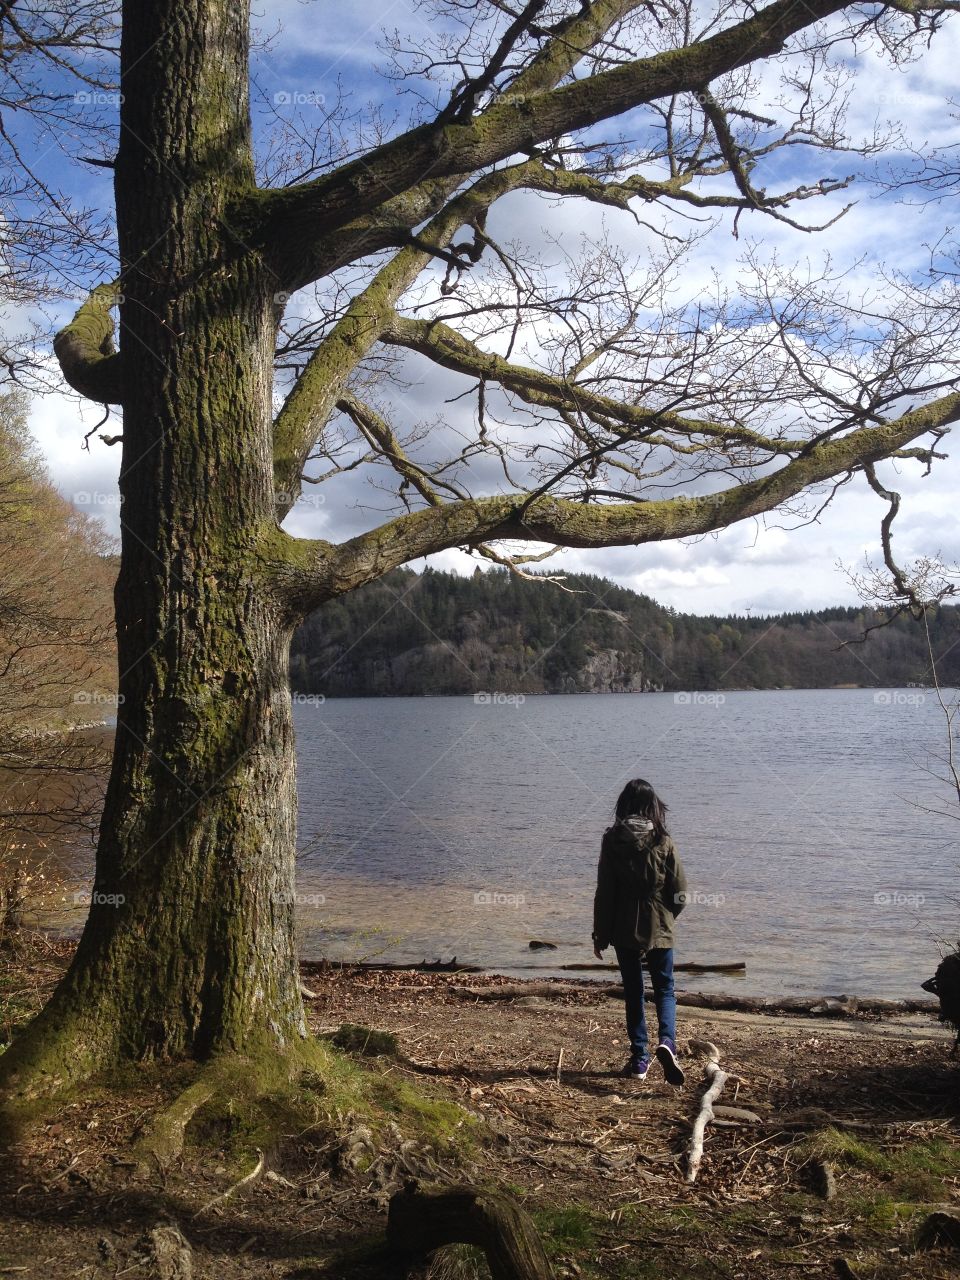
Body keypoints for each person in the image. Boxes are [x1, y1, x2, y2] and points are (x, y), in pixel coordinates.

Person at [592, 778, 688, 1084]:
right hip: (659, 924)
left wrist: (600, 934)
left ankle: (639, 1060)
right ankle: (667, 1041)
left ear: (624, 806)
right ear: (652, 807)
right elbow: (680, 893)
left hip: (623, 927)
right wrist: (668, 917)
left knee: (633, 992)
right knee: (665, 988)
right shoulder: (663, 841)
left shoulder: (612, 840)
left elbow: (605, 892)